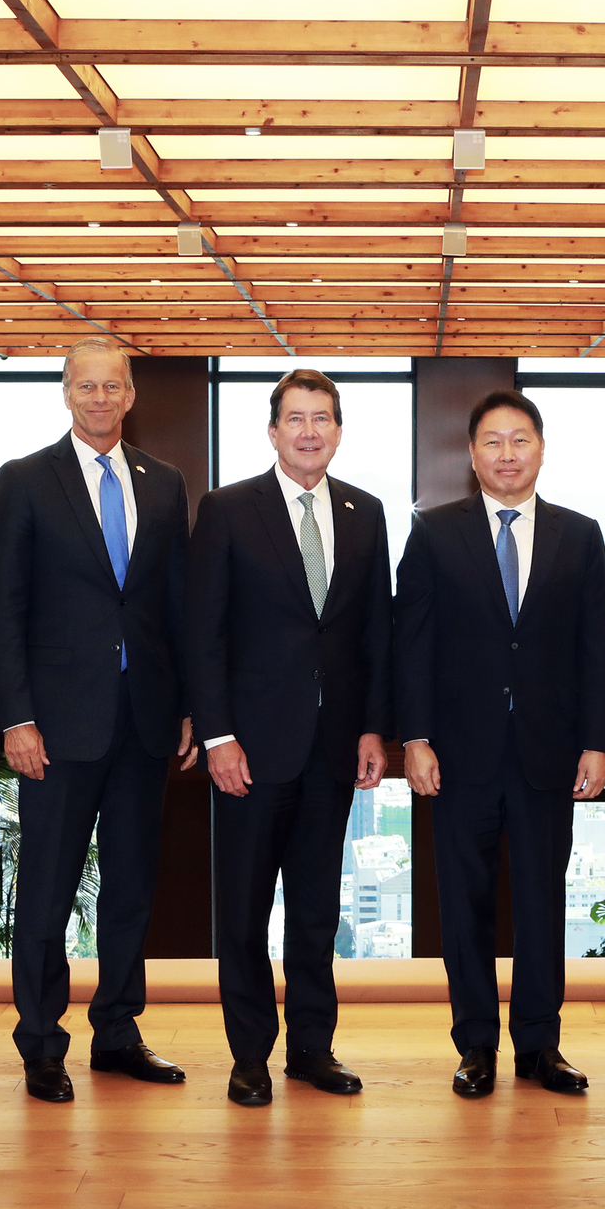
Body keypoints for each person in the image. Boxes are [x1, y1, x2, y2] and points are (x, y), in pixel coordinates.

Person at [0, 336, 197, 1104]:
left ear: (131, 394)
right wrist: (16, 718)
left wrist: (184, 707)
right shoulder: (25, 481)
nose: (101, 399)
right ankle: (41, 1042)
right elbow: (2, 609)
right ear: (65, 393)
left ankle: (118, 1032)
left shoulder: (165, 484)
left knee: (132, 888)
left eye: (114, 387)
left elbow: (176, 608)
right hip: (56, 727)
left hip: (144, 722)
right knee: (45, 890)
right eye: (87, 386)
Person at [394, 389, 605, 1098]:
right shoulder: (432, 533)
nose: (508, 454)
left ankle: (540, 1047)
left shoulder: (580, 536)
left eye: (520, 440)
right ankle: (476, 1046)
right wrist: (416, 739)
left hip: (550, 752)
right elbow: (413, 646)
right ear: (471, 453)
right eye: (493, 441)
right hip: (459, 754)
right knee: (464, 903)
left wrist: (597, 742)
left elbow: (592, 649)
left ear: (541, 450)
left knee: (543, 902)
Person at [186, 368, 391, 1108]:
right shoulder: (228, 509)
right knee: (240, 910)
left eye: (322, 418)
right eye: (295, 418)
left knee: (317, 908)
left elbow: (374, 635)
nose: (309, 431)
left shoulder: (366, 514)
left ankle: (311, 1047)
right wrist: (218, 735)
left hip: (333, 748)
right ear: (272, 431)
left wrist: (373, 726)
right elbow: (202, 633)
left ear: (339, 431)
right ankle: (249, 1057)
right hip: (248, 749)